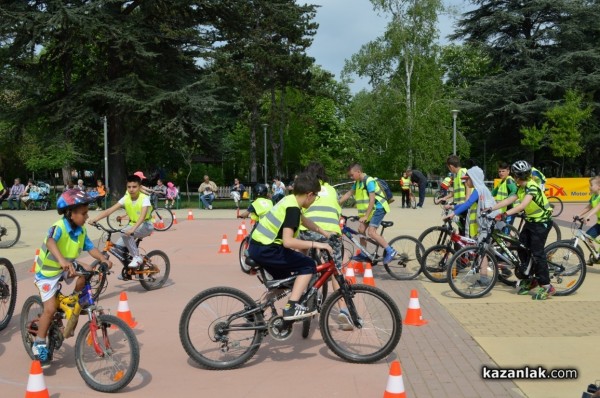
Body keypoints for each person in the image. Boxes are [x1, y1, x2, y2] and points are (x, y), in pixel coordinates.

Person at [32, 189, 112, 368]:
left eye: (87, 213)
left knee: (88, 272)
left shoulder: (81, 230)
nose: (86, 216)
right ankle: (39, 343)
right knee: (50, 309)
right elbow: (50, 242)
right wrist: (61, 260)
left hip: (66, 266)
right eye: (83, 213)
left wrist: (103, 259)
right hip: (47, 273)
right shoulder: (58, 227)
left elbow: (90, 248)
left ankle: (73, 301)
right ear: (70, 213)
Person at [248, 172, 333, 320]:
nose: (314, 200)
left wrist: (326, 234)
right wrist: (317, 244)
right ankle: (291, 307)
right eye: (316, 197)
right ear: (309, 195)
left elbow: (305, 221)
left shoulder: (290, 200)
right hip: (267, 249)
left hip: (259, 247)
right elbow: (288, 242)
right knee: (308, 265)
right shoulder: (292, 209)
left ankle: (256, 311)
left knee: (284, 283)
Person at [491, 160, 555, 300]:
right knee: (521, 247)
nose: (514, 178)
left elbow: (522, 206)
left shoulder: (532, 187)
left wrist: (504, 214)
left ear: (517, 177)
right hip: (531, 222)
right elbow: (509, 200)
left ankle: (547, 286)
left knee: (537, 254)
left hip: (541, 223)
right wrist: (490, 209)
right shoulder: (520, 187)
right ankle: (530, 279)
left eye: (515, 176)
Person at [89, 174, 154, 271]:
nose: (131, 189)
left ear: (140, 187)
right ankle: (129, 270)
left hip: (145, 225)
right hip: (132, 225)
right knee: (118, 249)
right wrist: (95, 219)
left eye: (134, 187)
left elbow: (142, 216)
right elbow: (109, 210)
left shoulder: (144, 198)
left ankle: (137, 257)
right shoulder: (126, 198)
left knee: (124, 233)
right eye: (129, 187)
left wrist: (132, 229)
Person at [338, 163, 397, 264]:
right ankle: (364, 254)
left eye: (352, 175)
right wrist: (336, 204)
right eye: (349, 176)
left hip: (378, 208)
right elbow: (348, 194)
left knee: (371, 232)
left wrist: (365, 216)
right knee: (361, 229)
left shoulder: (369, 181)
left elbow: (372, 200)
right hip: (371, 210)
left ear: (359, 172)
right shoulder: (357, 183)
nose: (351, 177)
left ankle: (390, 251)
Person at [443, 155, 471, 236]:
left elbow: (468, 187)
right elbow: (455, 192)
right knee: (461, 229)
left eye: (448, 167)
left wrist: (466, 203)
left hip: (464, 206)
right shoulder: (457, 175)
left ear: (451, 166)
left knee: (465, 231)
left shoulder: (462, 172)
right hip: (460, 206)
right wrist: (444, 198)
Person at [491, 162, 518, 229]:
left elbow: (514, 191)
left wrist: (505, 200)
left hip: (509, 209)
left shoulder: (509, 180)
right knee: (500, 229)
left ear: (508, 171)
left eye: (503, 171)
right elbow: (493, 193)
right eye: (499, 171)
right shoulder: (502, 181)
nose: (501, 173)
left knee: (505, 231)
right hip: (503, 209)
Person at [575, 176, 600, 241]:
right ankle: (594, 252)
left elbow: (598, 207)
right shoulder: (594, 196)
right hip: (599, 224)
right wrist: (578, 214)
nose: (589, 187)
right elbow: (589, 206)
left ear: (599, 186)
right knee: (587, 238)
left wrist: (588, 216)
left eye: (591, 185)